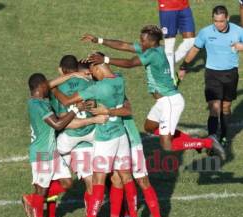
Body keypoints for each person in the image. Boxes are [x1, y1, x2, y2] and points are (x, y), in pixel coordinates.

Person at [81, 25, 225, 160]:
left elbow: (131, 63)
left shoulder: (154, 54)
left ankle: (206, 143)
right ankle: (193, 142)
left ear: (152, 41)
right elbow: (124, 45)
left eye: (142, 40)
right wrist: (98, 40)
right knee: (149, 127)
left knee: (167, 146)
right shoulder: (150, 49)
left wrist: (106, 59)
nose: (140, 42)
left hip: (170, 101)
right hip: (162, 101)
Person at [52, 57, 139, 217]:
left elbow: (68, 102)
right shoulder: (119, 79)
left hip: (105, 137)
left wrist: (53, 88)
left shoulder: (97, 88)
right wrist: (105, 110)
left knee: (98, 181)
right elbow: (127, 109)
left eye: (93, 71)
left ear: (98, 68)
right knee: (123, 177)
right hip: (120, 134)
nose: (93, 75)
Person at [90, 99, 164, 217]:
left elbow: (127, 107)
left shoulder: (118, 92)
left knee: (142, 181)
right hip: (113, 143)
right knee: (117, 179)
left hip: (132, 143)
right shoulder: (96, 94)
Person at [22, 73, 83, 217]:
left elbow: (50, 83)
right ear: (41, 87)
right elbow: (57, 125)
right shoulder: (37, 106)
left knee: (67, 182)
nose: (49, 88)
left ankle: (31, 198)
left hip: (52, 153)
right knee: (41, 192)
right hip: (42, 154)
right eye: (46, 86)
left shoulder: (40, 99)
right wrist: (76, 109)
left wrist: (74, 74)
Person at [178, 5, 243, 148]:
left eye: (221, 21)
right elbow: (195, 49)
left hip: (231, 74)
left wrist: (241, 46)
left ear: (226, 18)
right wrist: (184, 66)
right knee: (214, 107)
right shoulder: (206, 32)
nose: (218, 24)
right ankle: (212, 138)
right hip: (212, 73)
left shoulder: (238, 31)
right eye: (215, 21)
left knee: (226, 107)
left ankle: (224, 135)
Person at [157, 0, 196, 80]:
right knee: (170, 44)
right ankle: (170, 78)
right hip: (167, 7)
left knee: (191, 40)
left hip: (184, 6)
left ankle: (167, 65)